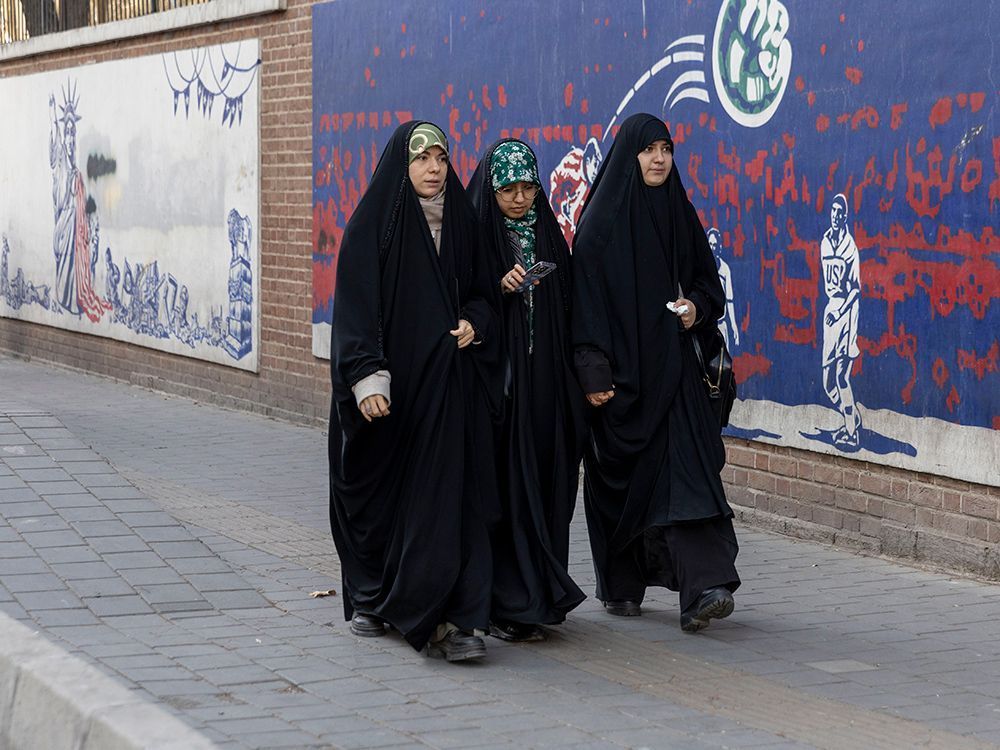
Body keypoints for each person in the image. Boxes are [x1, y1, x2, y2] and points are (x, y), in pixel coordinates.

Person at [328, 121, 500, 661]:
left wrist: (476, 319)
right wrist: (365, 377)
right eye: (423, 158)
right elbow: (355, 311)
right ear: (403, 166)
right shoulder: (372, 227)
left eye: (442, 159)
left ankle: (455, 618)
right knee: (380, 502)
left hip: (446, 391)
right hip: (389, 395)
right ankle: (376, 598)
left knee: (448, 500)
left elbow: (482, 292)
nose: (434, 169)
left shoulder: (464, 224)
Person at [571, 113, 741, 633]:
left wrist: (696, 307)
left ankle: (703, 587)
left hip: (675, 376)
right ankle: (622, 585)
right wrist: (595, 370)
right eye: (649, 149)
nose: (659, 158)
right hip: (621, 382)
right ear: (630, 155)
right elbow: (584, 303)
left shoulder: (678, 213)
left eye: (666, 148)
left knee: (687, 478)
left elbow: (706, 283)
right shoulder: (600, 225)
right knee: (620, 483)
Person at [467, 140, 587, 642]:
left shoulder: (549, 236)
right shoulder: (478, 238)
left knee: (545, 482)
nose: (519, 199)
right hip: (501, 392)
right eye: (508, 190)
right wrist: (497, 288)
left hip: (545, 390)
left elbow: (570, 304)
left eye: (528, 188)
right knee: (506, 492)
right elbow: (464, 298)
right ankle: (506, 604)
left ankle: (540, 598)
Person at [820, 193, 862, 448]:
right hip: (831, 311)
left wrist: (841, 311)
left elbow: (855, 289)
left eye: (839, 212)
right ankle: (853, 416)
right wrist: (832, 311)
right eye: (832, 211)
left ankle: (851, 432)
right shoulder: (824, 242)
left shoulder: (850, 247)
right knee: (827, 383)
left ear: (845, 216)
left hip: (847, 312)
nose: (835, 216)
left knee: (842, 377)